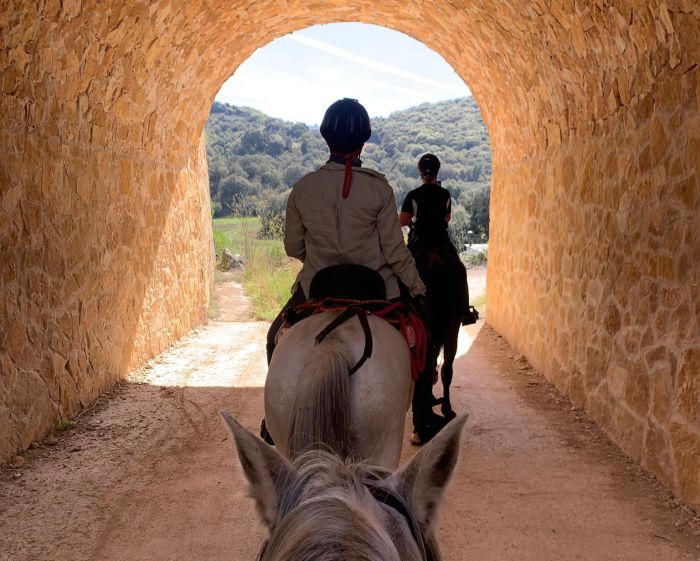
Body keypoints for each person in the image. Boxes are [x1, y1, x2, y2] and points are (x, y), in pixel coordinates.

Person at [265, 98, 445, 444]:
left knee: (275, 338)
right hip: (376, 291)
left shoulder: (303, 188)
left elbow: (293, 248)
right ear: (364, 141)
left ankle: (273, 421)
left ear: (325, 138)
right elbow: (394, 251)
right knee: (420, 336)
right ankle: (422, 415)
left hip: (319, 288)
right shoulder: (379, 188)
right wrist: (418, 289)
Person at [400, 153, 477, 326]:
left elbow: (404, 221)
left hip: (419, 242)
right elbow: (447, 218)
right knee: (459, 270)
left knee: (401, 271)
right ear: (437, 172)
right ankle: (465, 311)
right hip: (442, 243)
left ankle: (400, 306)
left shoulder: (413, 195)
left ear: (420, 172)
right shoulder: (445, 194)